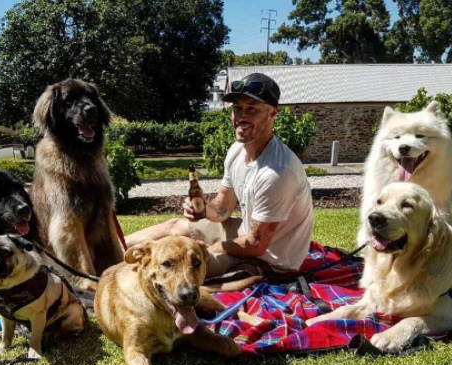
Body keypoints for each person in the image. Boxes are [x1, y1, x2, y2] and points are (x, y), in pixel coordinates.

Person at [125, 73, 314, 277]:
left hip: (270, 261)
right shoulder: (237, 151)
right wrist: (204, 208)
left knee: (181, 264)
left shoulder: (277, 172)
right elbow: (223, 209)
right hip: (244, 234)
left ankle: (121, 276)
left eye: (252, 109)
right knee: (174, 226)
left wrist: (213, 248)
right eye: (237, 108)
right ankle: (109, 250)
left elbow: (255, 245)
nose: (241, 116)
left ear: (272, 114)